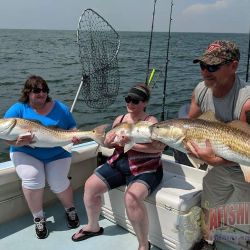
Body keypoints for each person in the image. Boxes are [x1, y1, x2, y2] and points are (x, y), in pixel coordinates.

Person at [71, 83, 165, 250]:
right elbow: (108, 144)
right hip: (119, 163)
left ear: (145, 103)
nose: (130, 104)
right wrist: (108, 141)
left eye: (135, 101)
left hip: (147, 167)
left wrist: (131, 144)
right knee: (90, 186)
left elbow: (158, 149)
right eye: (128, 99)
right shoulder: (120, 120)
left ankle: (144, 245)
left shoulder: (151, 122)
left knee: (132, 198)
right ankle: (93, 226)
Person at [187, 40, 250, 250]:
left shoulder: (246, 101)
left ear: (233, 66)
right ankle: (208, 240)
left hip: (244, 166)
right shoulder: (200, 91)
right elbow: (190, 126)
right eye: (203, 66)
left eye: (213, 67)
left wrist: (214, 159)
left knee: (243, 215)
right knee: (208, 199)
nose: (205, 72)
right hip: (219, 166)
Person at [4, 75, 80, 239]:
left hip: (58, 151)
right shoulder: (17, 110)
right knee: (33, 177)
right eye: (37, 90)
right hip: (26, 152)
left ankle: (70, 209)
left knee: (58, 181)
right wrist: (18, 142)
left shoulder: (61, 108)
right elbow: (5, 139)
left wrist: (74, 135)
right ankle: (38, 218)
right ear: (28, 92)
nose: (41, 93)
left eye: (44, 90)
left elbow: (72, 126)